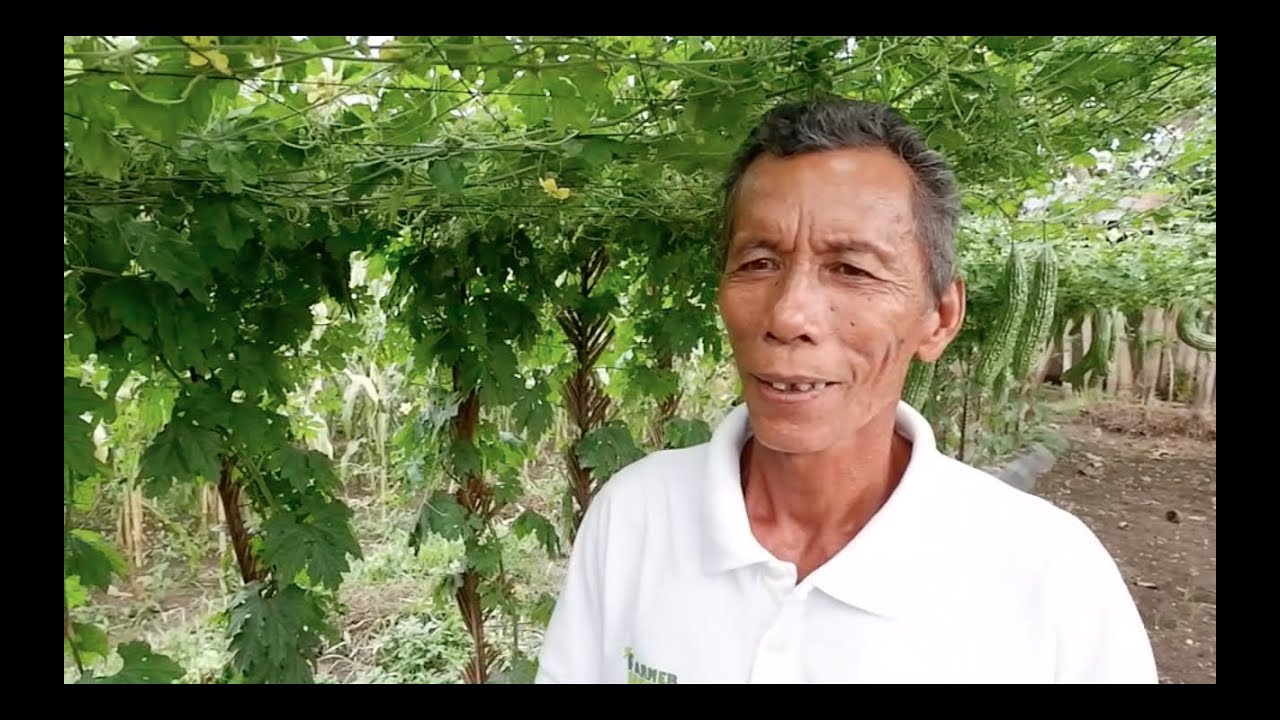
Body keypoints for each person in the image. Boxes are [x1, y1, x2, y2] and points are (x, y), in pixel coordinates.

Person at [533, 98, 1158, 684]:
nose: (788, 315)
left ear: (940, 317)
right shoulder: (637, 513)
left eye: (852, 269)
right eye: (758, 263)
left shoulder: (1052, 576)